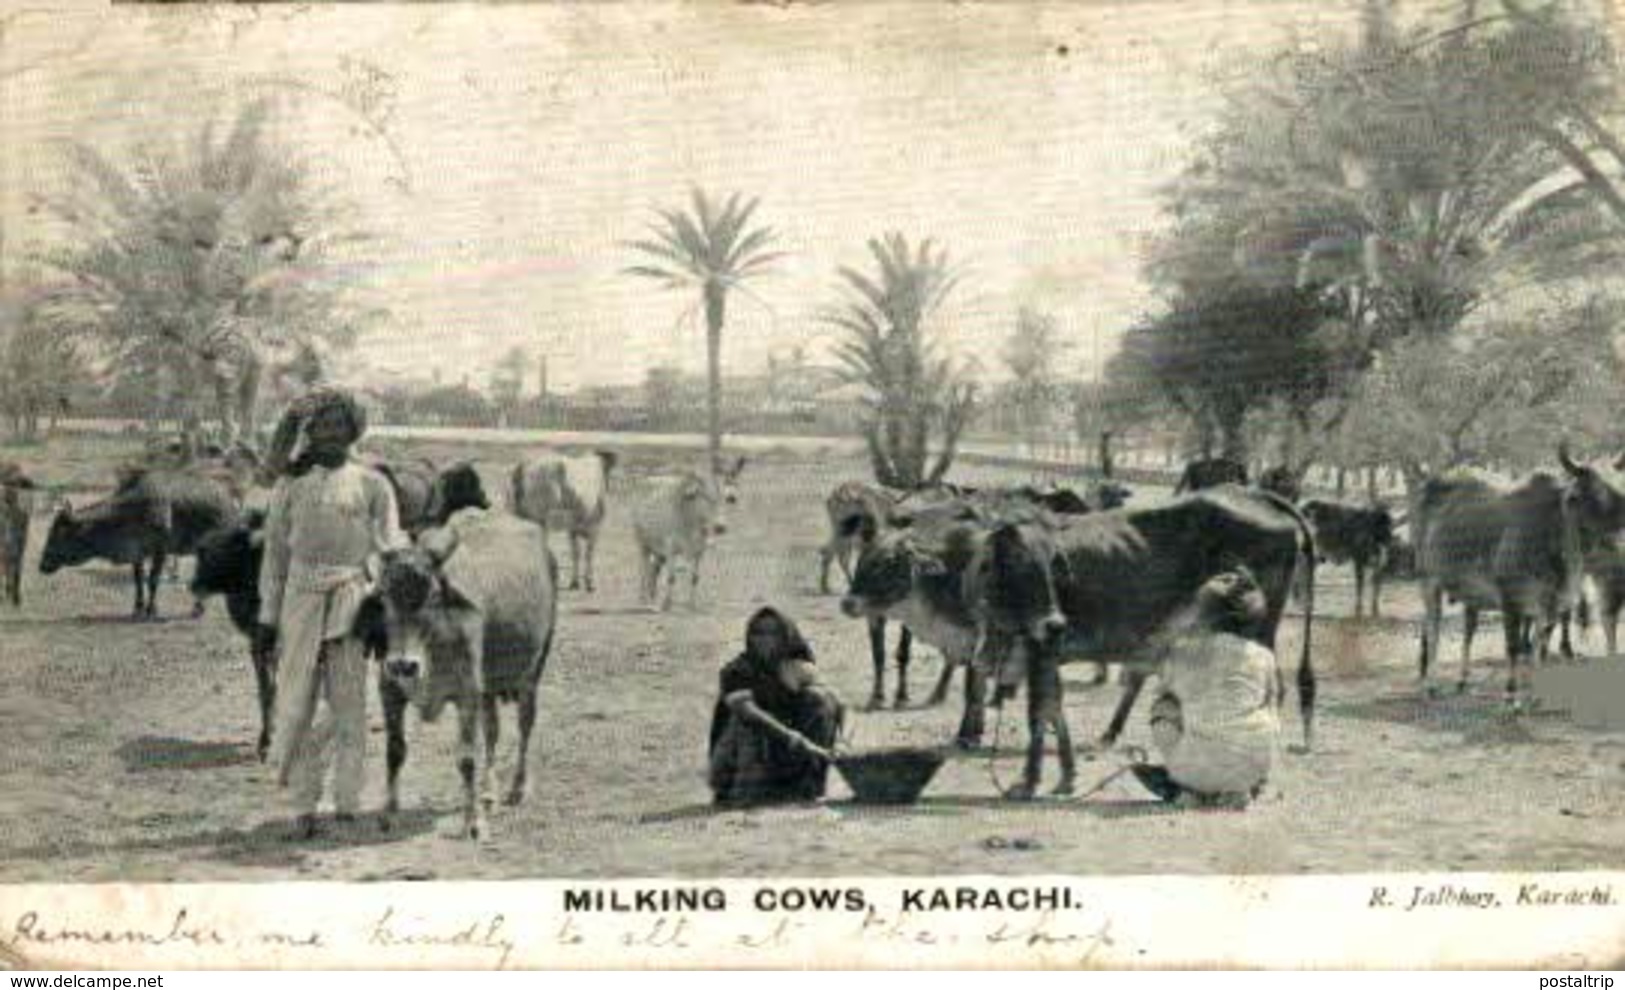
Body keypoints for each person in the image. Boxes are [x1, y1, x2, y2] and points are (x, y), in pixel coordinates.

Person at [258, 385, 407, 839]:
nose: (329, 434)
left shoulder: (373, 484)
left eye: (338, 425)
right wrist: (268, 617)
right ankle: (303, 806)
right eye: (320, 425)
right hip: (300, 598)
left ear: (352, 431)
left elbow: (389, 547)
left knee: (348, 705)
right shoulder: (291, 485)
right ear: (309, 431)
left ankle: (346, 804)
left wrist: (382, 610)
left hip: (351, 597)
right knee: (297, 704)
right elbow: (276, 555)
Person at [1130, 566, 1281, 810]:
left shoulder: (1184, 651)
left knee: (1163, 707)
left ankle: (1190, 790)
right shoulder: (1264, 656)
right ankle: (1240, 789)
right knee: (1261, 711)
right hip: (1252, 766)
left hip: (1195, 769)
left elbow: (1165, 694)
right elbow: (1272, 707)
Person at [708, 607, 845, 806]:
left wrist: (841, 741)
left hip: (781, 754)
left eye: (772, 633)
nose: (764, 639)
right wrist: (796, 739)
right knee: (747, 722)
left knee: (819, 699)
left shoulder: (796, 668)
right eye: (758, 633)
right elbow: (748, 713)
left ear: (786, 638)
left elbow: (838, 704)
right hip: (739, 760)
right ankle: (743, 791)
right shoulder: (737, 670)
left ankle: (808, 784)